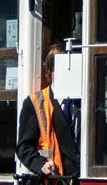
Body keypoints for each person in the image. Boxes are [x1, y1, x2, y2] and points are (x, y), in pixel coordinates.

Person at [17, 45, 79, 176]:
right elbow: (24, 148)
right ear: (51, 71)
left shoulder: (86, 102)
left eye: (71, 69)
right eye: (61, 69)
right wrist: (41, 164)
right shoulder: (34, 103)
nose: (67, 75)